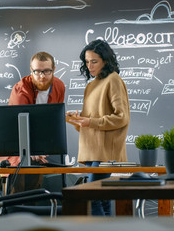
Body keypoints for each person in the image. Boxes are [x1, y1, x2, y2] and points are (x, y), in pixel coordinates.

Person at [66, 39, 130, 216]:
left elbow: (121, 117)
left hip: (105, 152)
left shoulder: (113, 80)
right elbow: (89, 123)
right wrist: (77, 120)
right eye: (87, 62)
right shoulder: (91, 85)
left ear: (105, 61)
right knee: (101, 199)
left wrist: (89, 122)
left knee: (90, 195)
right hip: (92, 151)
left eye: (94, 61)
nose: (89, 66)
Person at [0, 51, 66, 194]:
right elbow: (18, 125)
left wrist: (42, 148)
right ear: (31, 71)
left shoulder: (59, 86)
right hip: (14, 146)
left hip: (38, 149)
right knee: (16, 192)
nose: (42, 76)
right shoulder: (21, 89)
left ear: (54, 69)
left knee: (34, 192)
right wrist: (31, 150)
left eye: (47, 71)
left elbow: (53, 119)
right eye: (37, 71)